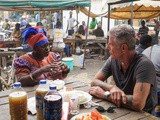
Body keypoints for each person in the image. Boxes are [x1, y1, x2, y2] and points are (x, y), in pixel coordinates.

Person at [89, 24, 157, 114]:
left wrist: (105, 95)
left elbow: (138, 103)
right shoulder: (113, 60)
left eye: (111, 44)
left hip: (144, 114)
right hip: (123, 109)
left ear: (123, 48)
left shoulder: (144, 65)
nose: (107, 47)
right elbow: (94, 81)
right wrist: (112, 87)